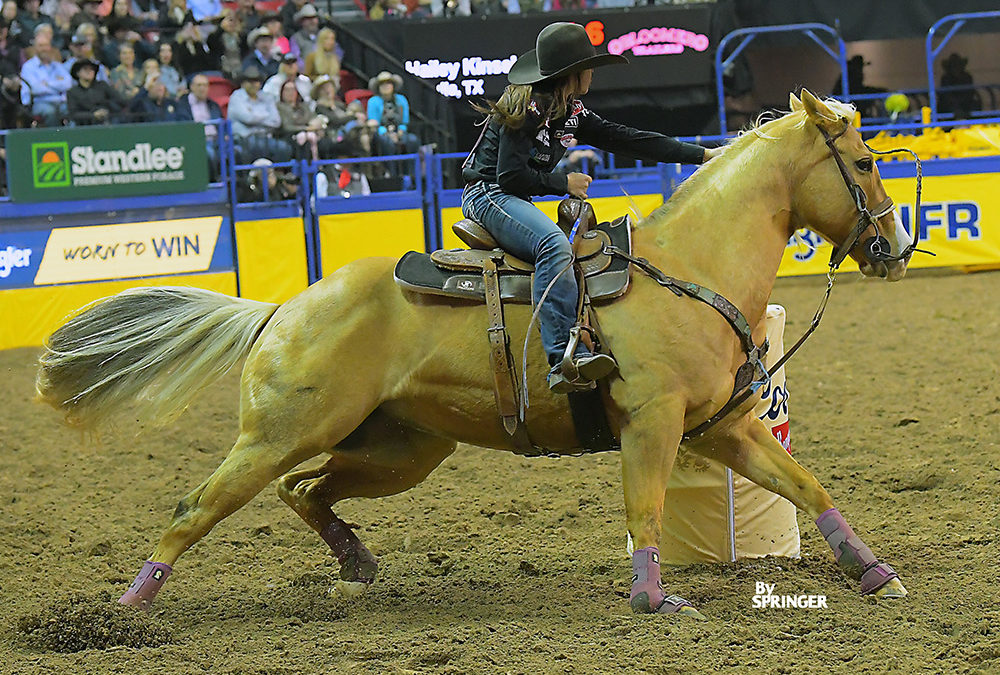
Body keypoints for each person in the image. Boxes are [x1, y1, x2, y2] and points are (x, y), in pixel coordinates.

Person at [462, 22, 719, 393]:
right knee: (553, 244)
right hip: (488, 194)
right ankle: (560, 360)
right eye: (589, 66)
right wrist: (561, 183)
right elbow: (508, 176)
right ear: (573, 73)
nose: (593, 72)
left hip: (508, 195)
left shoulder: (569, 111)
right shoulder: (531, 107)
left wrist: (703, 155)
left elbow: (629, 139)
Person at [228, 64, 290, 162]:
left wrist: (254, 116)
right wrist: (266, 116)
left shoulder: (266, 97)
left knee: (284, 148)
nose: (254, 84)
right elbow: (248, 118)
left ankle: (279, 174)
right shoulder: (236, 97)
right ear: (243, 83)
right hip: (243, 139)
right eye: (250, 81)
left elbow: (276, 121)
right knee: (258, 146)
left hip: (265, 137)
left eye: (256, 81)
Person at [176, 72, 223, 178]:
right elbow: (183, 126)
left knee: (235, 151)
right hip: (197, 141)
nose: (202, 88)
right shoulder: (183, 105)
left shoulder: (213, 105)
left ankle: (236, 186)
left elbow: (222, 124)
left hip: (216, 140)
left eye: (205, 85)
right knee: (209, 153)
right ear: (192, 87)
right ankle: (215, 182)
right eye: (199, 85)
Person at [367, 69, 419, 161]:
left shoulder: (401, 99)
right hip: (381, 133)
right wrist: (387, 134)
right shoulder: (373, 101)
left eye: (388, 83)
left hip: (399, 131)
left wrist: (400, 132)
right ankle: (392, 173)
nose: (385, 86)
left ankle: (410, 173)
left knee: (413, 140)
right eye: (382, 84)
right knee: (387, 143)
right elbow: (374, 123)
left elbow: (405, 121)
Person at [18, 32, 70, 124]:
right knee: (50, 112)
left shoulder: (57, 65)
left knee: (71, 110)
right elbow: (36, 89)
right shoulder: (29, 67)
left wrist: (47, 83)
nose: (44, 49)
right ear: (35, 48)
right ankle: (54, 138)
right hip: (39, 102)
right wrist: (58, 85)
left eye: (46, 45)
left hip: (61, 102)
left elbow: (68, 84)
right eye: (41, 46)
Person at [276, 78, 329, 160]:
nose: (290, 93)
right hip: (289, 135)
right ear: (282, 92)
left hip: (310, 134)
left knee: (320, 139)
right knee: (303, 138)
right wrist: (306, 127)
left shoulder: (303, 106)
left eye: (293, 89)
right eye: (287, 90)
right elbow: (287, 126)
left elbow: (313, 118)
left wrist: (315, 125)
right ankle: (304, 169)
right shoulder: (279, 107)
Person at [66, 57, 124, 124]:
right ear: (77, 73)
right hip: (85, 125)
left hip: (108, 120)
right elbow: (73, 114)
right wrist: (93, 115)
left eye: (91, 69)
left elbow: (119, 100)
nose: (89, 71)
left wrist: (106, 110)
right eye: (85, 69)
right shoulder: (72, 92)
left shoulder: (103, 85)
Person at [939, 52, 980, 121]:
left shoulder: (967, 77)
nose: (956, 68)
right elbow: (945, 95)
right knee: (946, 107)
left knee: (975, 105)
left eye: (958, 65)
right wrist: (955, 103)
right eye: (953, 66)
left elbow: (970, 92)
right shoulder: (945, 78)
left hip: (966, 103)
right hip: (950, 104)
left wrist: (962, 101)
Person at [206, 7, 242, 80]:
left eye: (233, 20)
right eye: (228, 19)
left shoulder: (241, 37)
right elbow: (212, 43)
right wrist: (222, 28)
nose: (231, 23)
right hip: (222, 70)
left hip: (240, 69)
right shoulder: (215, 36)